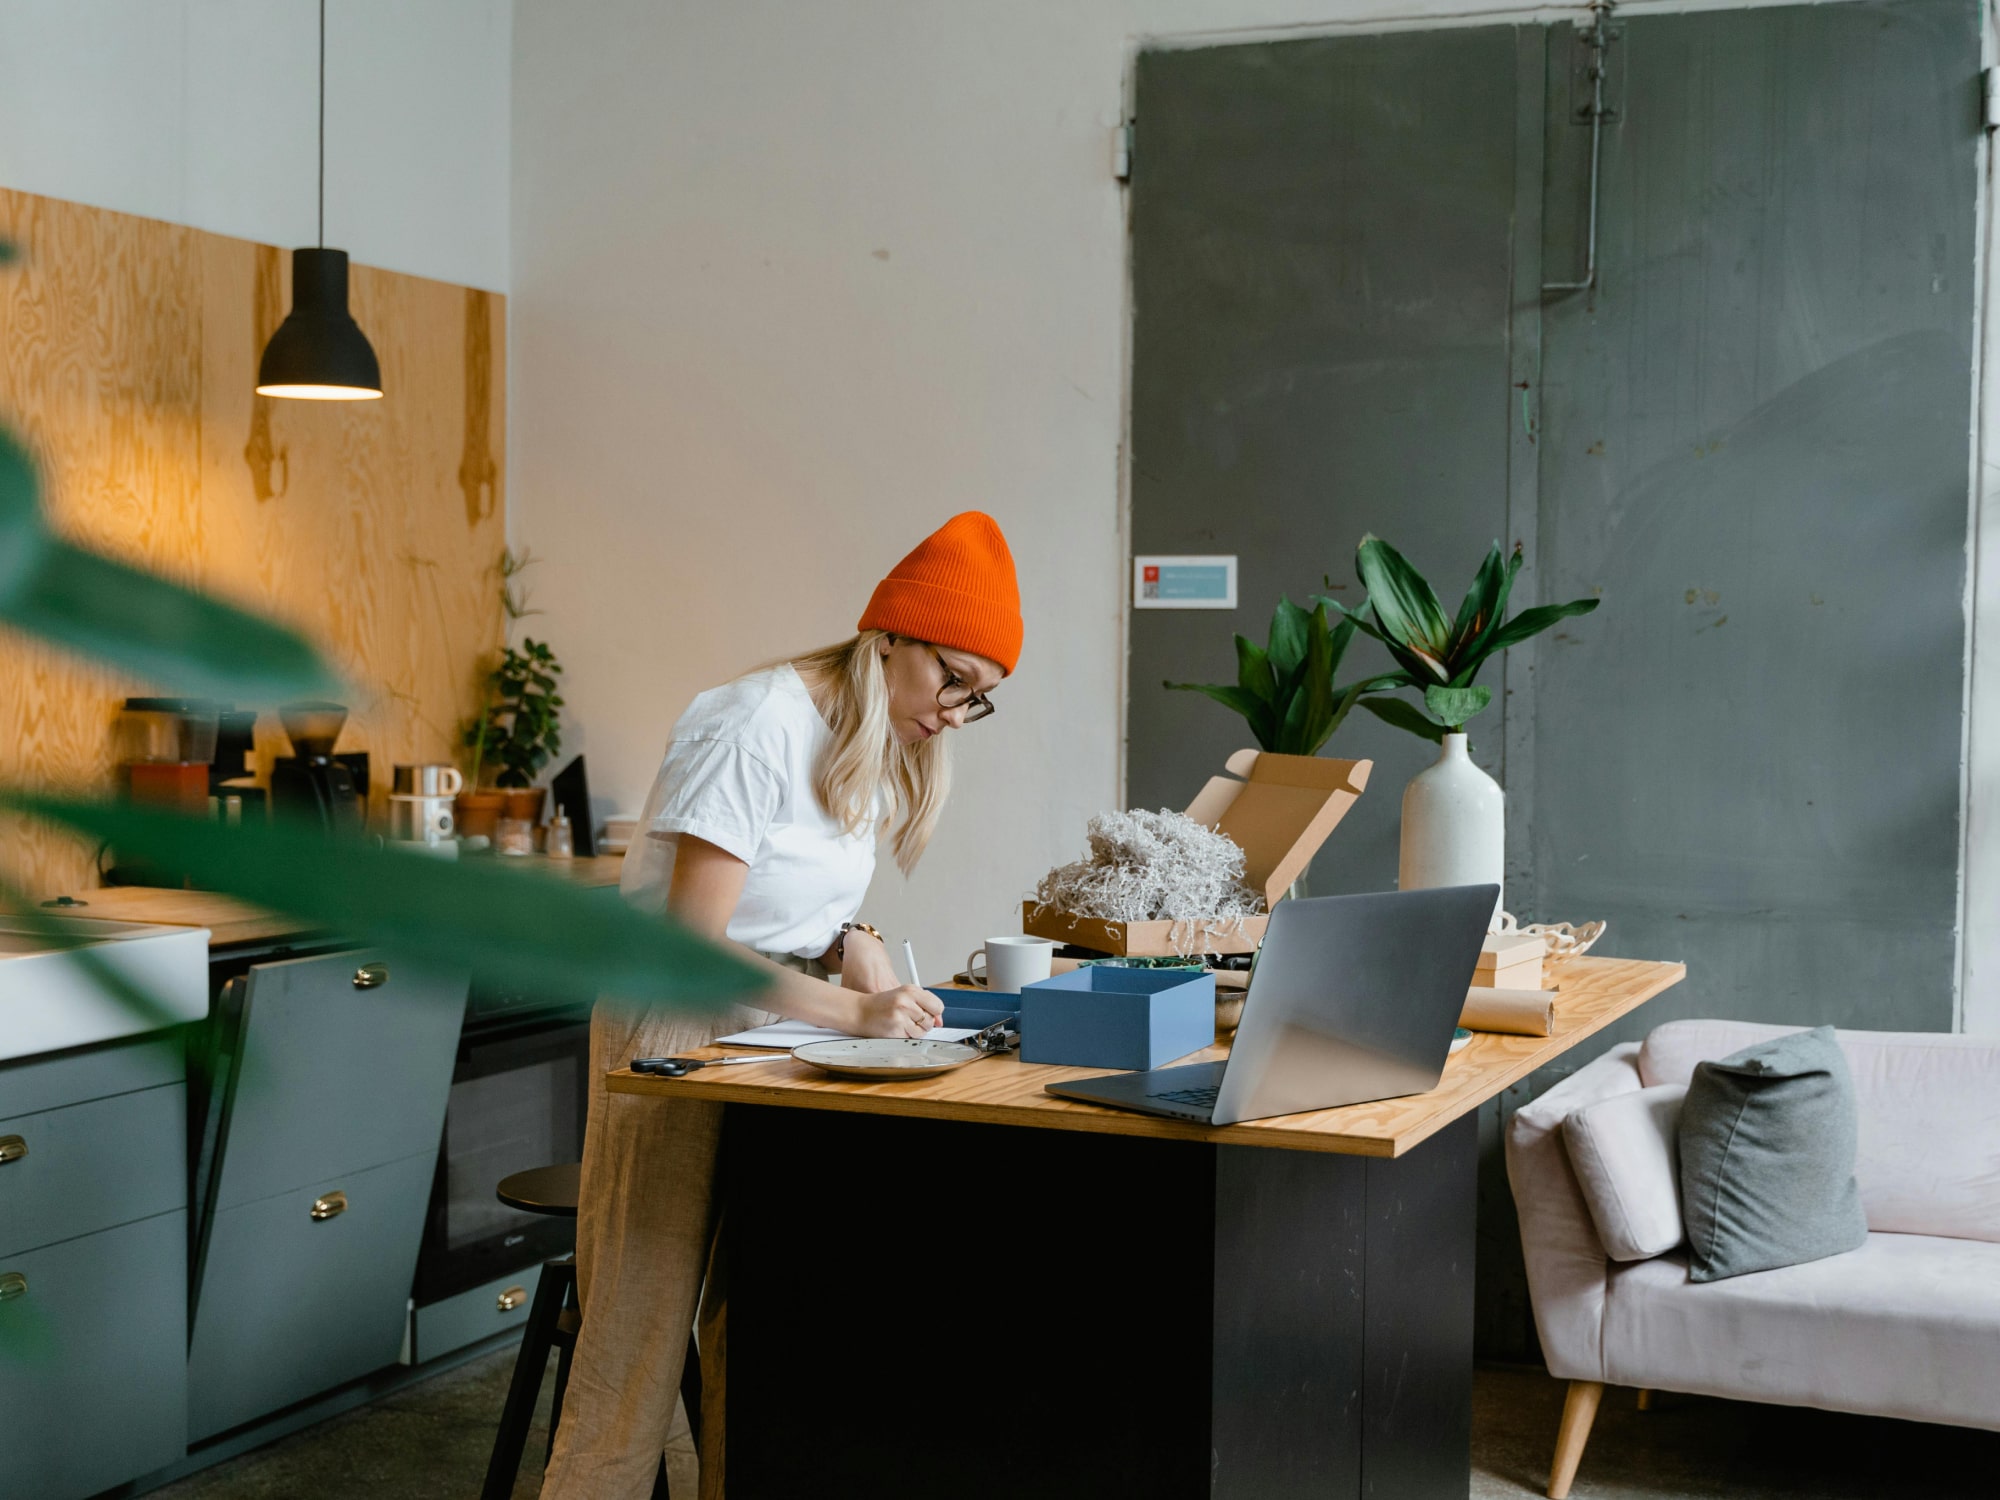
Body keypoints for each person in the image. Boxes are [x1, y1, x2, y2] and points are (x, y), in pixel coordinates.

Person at [540, 512, 1022, 1499]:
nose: (954, 713)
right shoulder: (754, 721)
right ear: (890, 637)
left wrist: (854, 944)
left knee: (759, 1334)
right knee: (635, 1338)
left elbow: (786, 899)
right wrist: (853, 1016)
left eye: (979, 698)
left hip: (780, 1027)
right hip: (675, 1025)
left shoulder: (868, 736)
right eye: (953, 679)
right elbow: (692, 943)